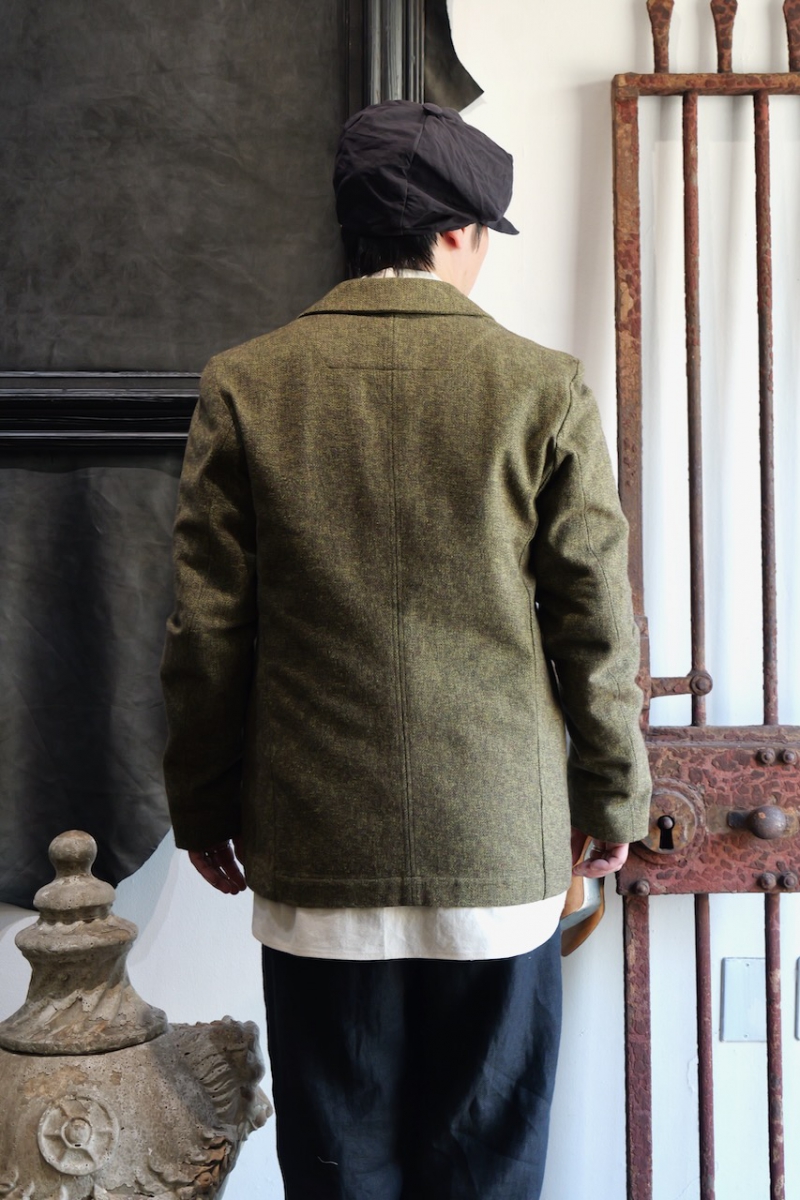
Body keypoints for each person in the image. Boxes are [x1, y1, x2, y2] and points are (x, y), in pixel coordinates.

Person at [161, 100, 651, 1200]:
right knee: (485, 1168)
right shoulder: (540, 386)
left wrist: (201, 803)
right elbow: (594, 621)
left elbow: (207, 632)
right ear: (456, 231)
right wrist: (613, 796)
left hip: (317, 847)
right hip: (496, 844)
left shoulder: (248, 383)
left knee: (337, 1167)